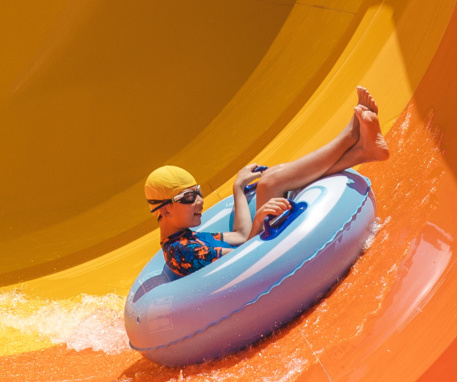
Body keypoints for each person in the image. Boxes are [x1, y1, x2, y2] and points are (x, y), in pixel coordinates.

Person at [145, 88, 389, 277]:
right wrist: (259, 220)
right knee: (271, 181)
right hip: (263, 269)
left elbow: (240, 237)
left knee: (269, 182)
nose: (199, 200)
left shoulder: (187, 238)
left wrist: (238, 189)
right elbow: (243, 264)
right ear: (164, 209)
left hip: (255, 255)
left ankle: (361, 151)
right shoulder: (183, 251)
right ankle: (350, 137)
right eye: (188, 197)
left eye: (197, 192)